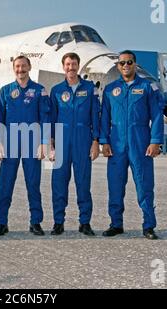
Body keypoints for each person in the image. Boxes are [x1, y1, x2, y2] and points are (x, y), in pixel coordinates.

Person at [100, 50, 164, 240]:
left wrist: (155, 141)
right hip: (117, 144)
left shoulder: (148, 87)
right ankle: (116, 224)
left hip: (140, 143)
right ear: (117, 66)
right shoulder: (110, 89)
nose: (126, 66)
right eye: (122, 63)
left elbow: (157, 115)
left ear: (135, 64)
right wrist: (104, 142)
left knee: (144, 185)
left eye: (129, 62)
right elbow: (104, 118)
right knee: (115, 186)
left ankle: (148, 225)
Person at [0, 55, 51, 237]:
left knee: (33, 184)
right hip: (10, 144)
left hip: (32, 144)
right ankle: (2, 222)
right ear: (14, 69)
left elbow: (45, 118)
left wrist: (44, 143)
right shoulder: (5, 91)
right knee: (5, 185)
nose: (20, 69)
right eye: (17, 67)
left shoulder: (40, 91)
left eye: (23, 66)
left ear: (29, 67)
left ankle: (35, 222)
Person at [49, 53, 100, 236]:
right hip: (62, 140)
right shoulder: (56, 90)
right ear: (63, 67)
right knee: (59, 183)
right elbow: (52, 117)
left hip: (83, 139)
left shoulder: (90, 88)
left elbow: (96, 115)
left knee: (83, 182)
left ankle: (85, 222)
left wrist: (95, 142)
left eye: (74, 64)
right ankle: (58, 222)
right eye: (68, 64)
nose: (71, 67)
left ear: (79, 66)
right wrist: (51, 143)